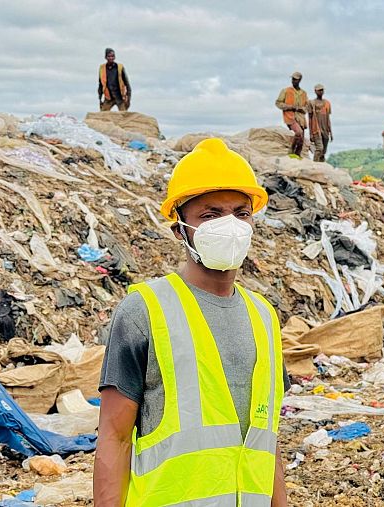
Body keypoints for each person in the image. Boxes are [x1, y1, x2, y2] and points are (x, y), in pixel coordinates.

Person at [94, 138, 290, 507]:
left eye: (241, 213)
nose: (229, 226)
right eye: (211, 215)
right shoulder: (144, 311)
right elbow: (114, 438)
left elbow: (267, 441)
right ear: (180, 229)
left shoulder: (264, 317)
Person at [275, 72, 309, 158]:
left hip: (301, 118)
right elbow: (278, 103)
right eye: (293, 79)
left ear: (300, 80)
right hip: (290, 117)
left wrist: (303, 109)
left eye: (296, 79)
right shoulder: (286, 91)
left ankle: (297, 155)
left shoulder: (304, 93)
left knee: (301, 139)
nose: (294, 81)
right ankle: (291, 151)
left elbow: (307, 106)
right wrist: (290, 107)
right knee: (298, 132)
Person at [308, 84, 332, 162]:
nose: (321, 92)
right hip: (316, 130)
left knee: (323, 152)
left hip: (325, 130)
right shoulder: (312, 103)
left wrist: (331, 132)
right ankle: (314, 165)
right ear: (315, 91)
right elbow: (310, 118)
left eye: (322, 90)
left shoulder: (327, 103)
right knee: (319, 148)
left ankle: (322, 166)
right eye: (319, 90)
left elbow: (328, 118)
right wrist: (311, 133)